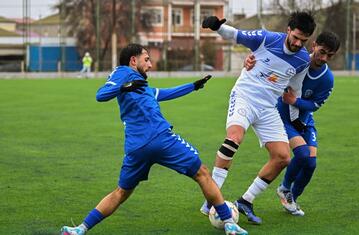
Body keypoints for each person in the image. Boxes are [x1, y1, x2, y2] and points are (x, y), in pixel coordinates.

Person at [61, 43, 248, 235]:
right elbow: (101, 95)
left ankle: (80, 229)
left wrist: (192, 86)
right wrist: (124, 87)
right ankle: (229, 222)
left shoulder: (141, 86)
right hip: (161, 139)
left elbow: (164, 93)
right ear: (133, 61)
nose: (150, 65)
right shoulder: (123, 72)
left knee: (121, 192)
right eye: (146, 59)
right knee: (202, 173)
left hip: (137, 147)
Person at [200, 12, 316, 224]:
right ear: (288, 30)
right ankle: (212, 197)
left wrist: (296, 117)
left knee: (283, 157)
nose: (298, 43)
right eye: (296, 37)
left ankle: (246, 201)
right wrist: (216, 26)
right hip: (244, 96)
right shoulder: (267, 38)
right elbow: (235, 35)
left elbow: (295, 90)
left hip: (267, 107)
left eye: (303, 40)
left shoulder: (303, 60)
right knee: (234, 137)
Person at [244, 31, 340, 216]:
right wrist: (249, 61)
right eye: (322, 52)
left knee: (310, 164)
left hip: (304, 121)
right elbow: (267, 65)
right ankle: (285, 187)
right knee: (302, 154)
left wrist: (295, 101)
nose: (324, 58)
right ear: (313, 46)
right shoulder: (295, 61)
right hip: (282, 117)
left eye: (330, 55)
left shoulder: (327, 79)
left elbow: (315, 105)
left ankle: (291, 199)